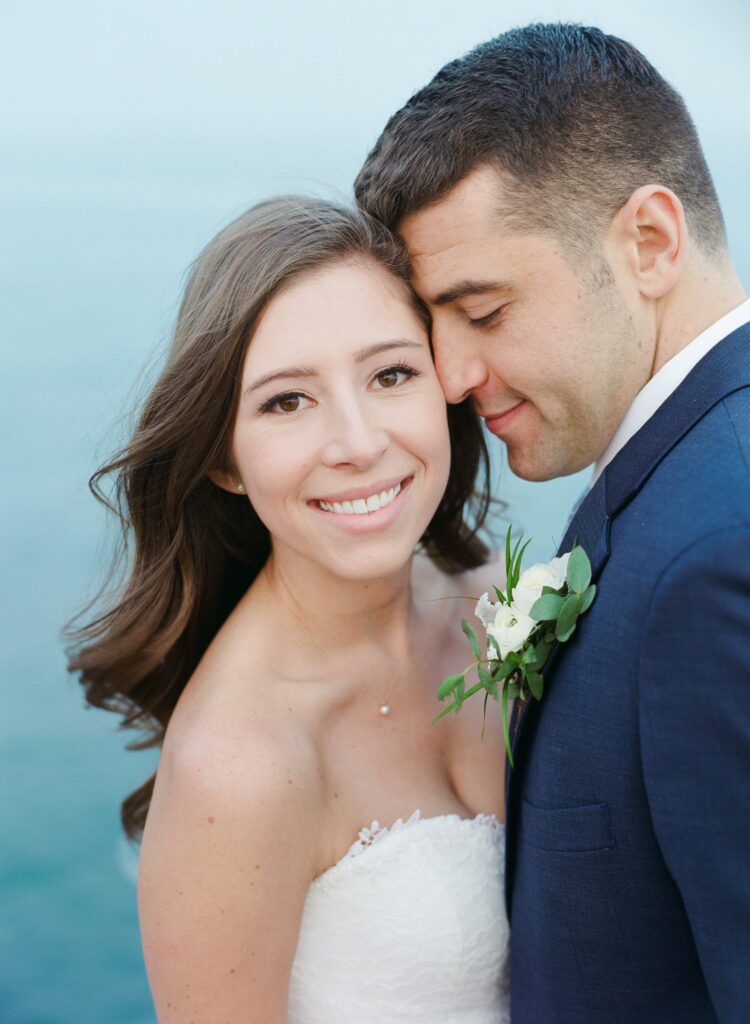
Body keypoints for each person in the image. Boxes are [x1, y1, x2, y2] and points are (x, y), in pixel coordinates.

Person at [355, 20, 750, 1024]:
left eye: (483, 312)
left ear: (650, 241)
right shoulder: (676, 476)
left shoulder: (714, 559)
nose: (449, 377)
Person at [67, 196, 512, 1022]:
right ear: (225, 461)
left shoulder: (493, 602)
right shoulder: (238, 763)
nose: (356, 442)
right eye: (286, 402)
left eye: (390, 375)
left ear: (444, 388)